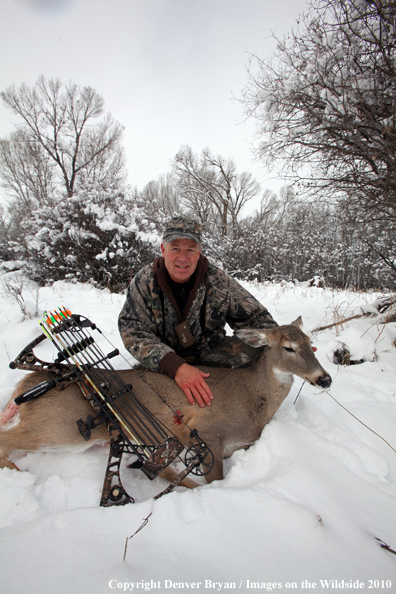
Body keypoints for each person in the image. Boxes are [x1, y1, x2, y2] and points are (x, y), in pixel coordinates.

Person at [118, 216, 278, 407]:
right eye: (175, 248)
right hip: (164, 362)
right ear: (163, 249)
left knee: (266, 347)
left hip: (211, 357)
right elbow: (131, 330)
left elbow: (258, 318)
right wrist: (174, 366)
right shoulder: (144, 281)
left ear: (199, 252)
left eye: (190, 249)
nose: (183, 258)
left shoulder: (219, 281)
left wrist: (290, 343)